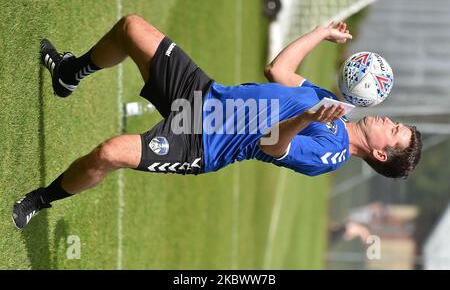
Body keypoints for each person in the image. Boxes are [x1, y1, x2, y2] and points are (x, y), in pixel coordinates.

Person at [12, 15, 422, 229]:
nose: (389, 120)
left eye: (395, 130)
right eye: (397, 122)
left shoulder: (330, 154)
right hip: (204, 96)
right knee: (131, 28)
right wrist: (320, 33)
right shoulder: (327, 102)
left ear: (381, 152)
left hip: (203, 143)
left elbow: (271, 146)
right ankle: (70, 73)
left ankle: (40, 200)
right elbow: (277, 69)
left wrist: (305, 117)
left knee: (109, 153)